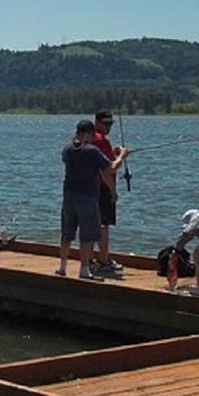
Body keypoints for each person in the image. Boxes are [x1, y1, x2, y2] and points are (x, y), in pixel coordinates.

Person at [57, 119, 128, 280]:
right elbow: (110, 168)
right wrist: (121, 156)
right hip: (87, 197)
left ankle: (62, 267)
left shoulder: (67, 149)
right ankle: (84, 270)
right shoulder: (92, 151)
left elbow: (71, 154)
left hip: (68, 196)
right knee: (87, 235)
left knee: (67, 233)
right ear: (89, 134)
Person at [91, 110, 124, 276]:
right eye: (105, 123)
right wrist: (122, 156)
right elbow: (109, 169)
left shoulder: (89, 139)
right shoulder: (100, 140)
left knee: (91, 223)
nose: (108, 126)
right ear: (96, 122)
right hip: (103, 188)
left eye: (110, 123)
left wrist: (115, 155)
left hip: (90, 187)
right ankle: (103, 260)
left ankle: (90, 259)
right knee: (103, 225)